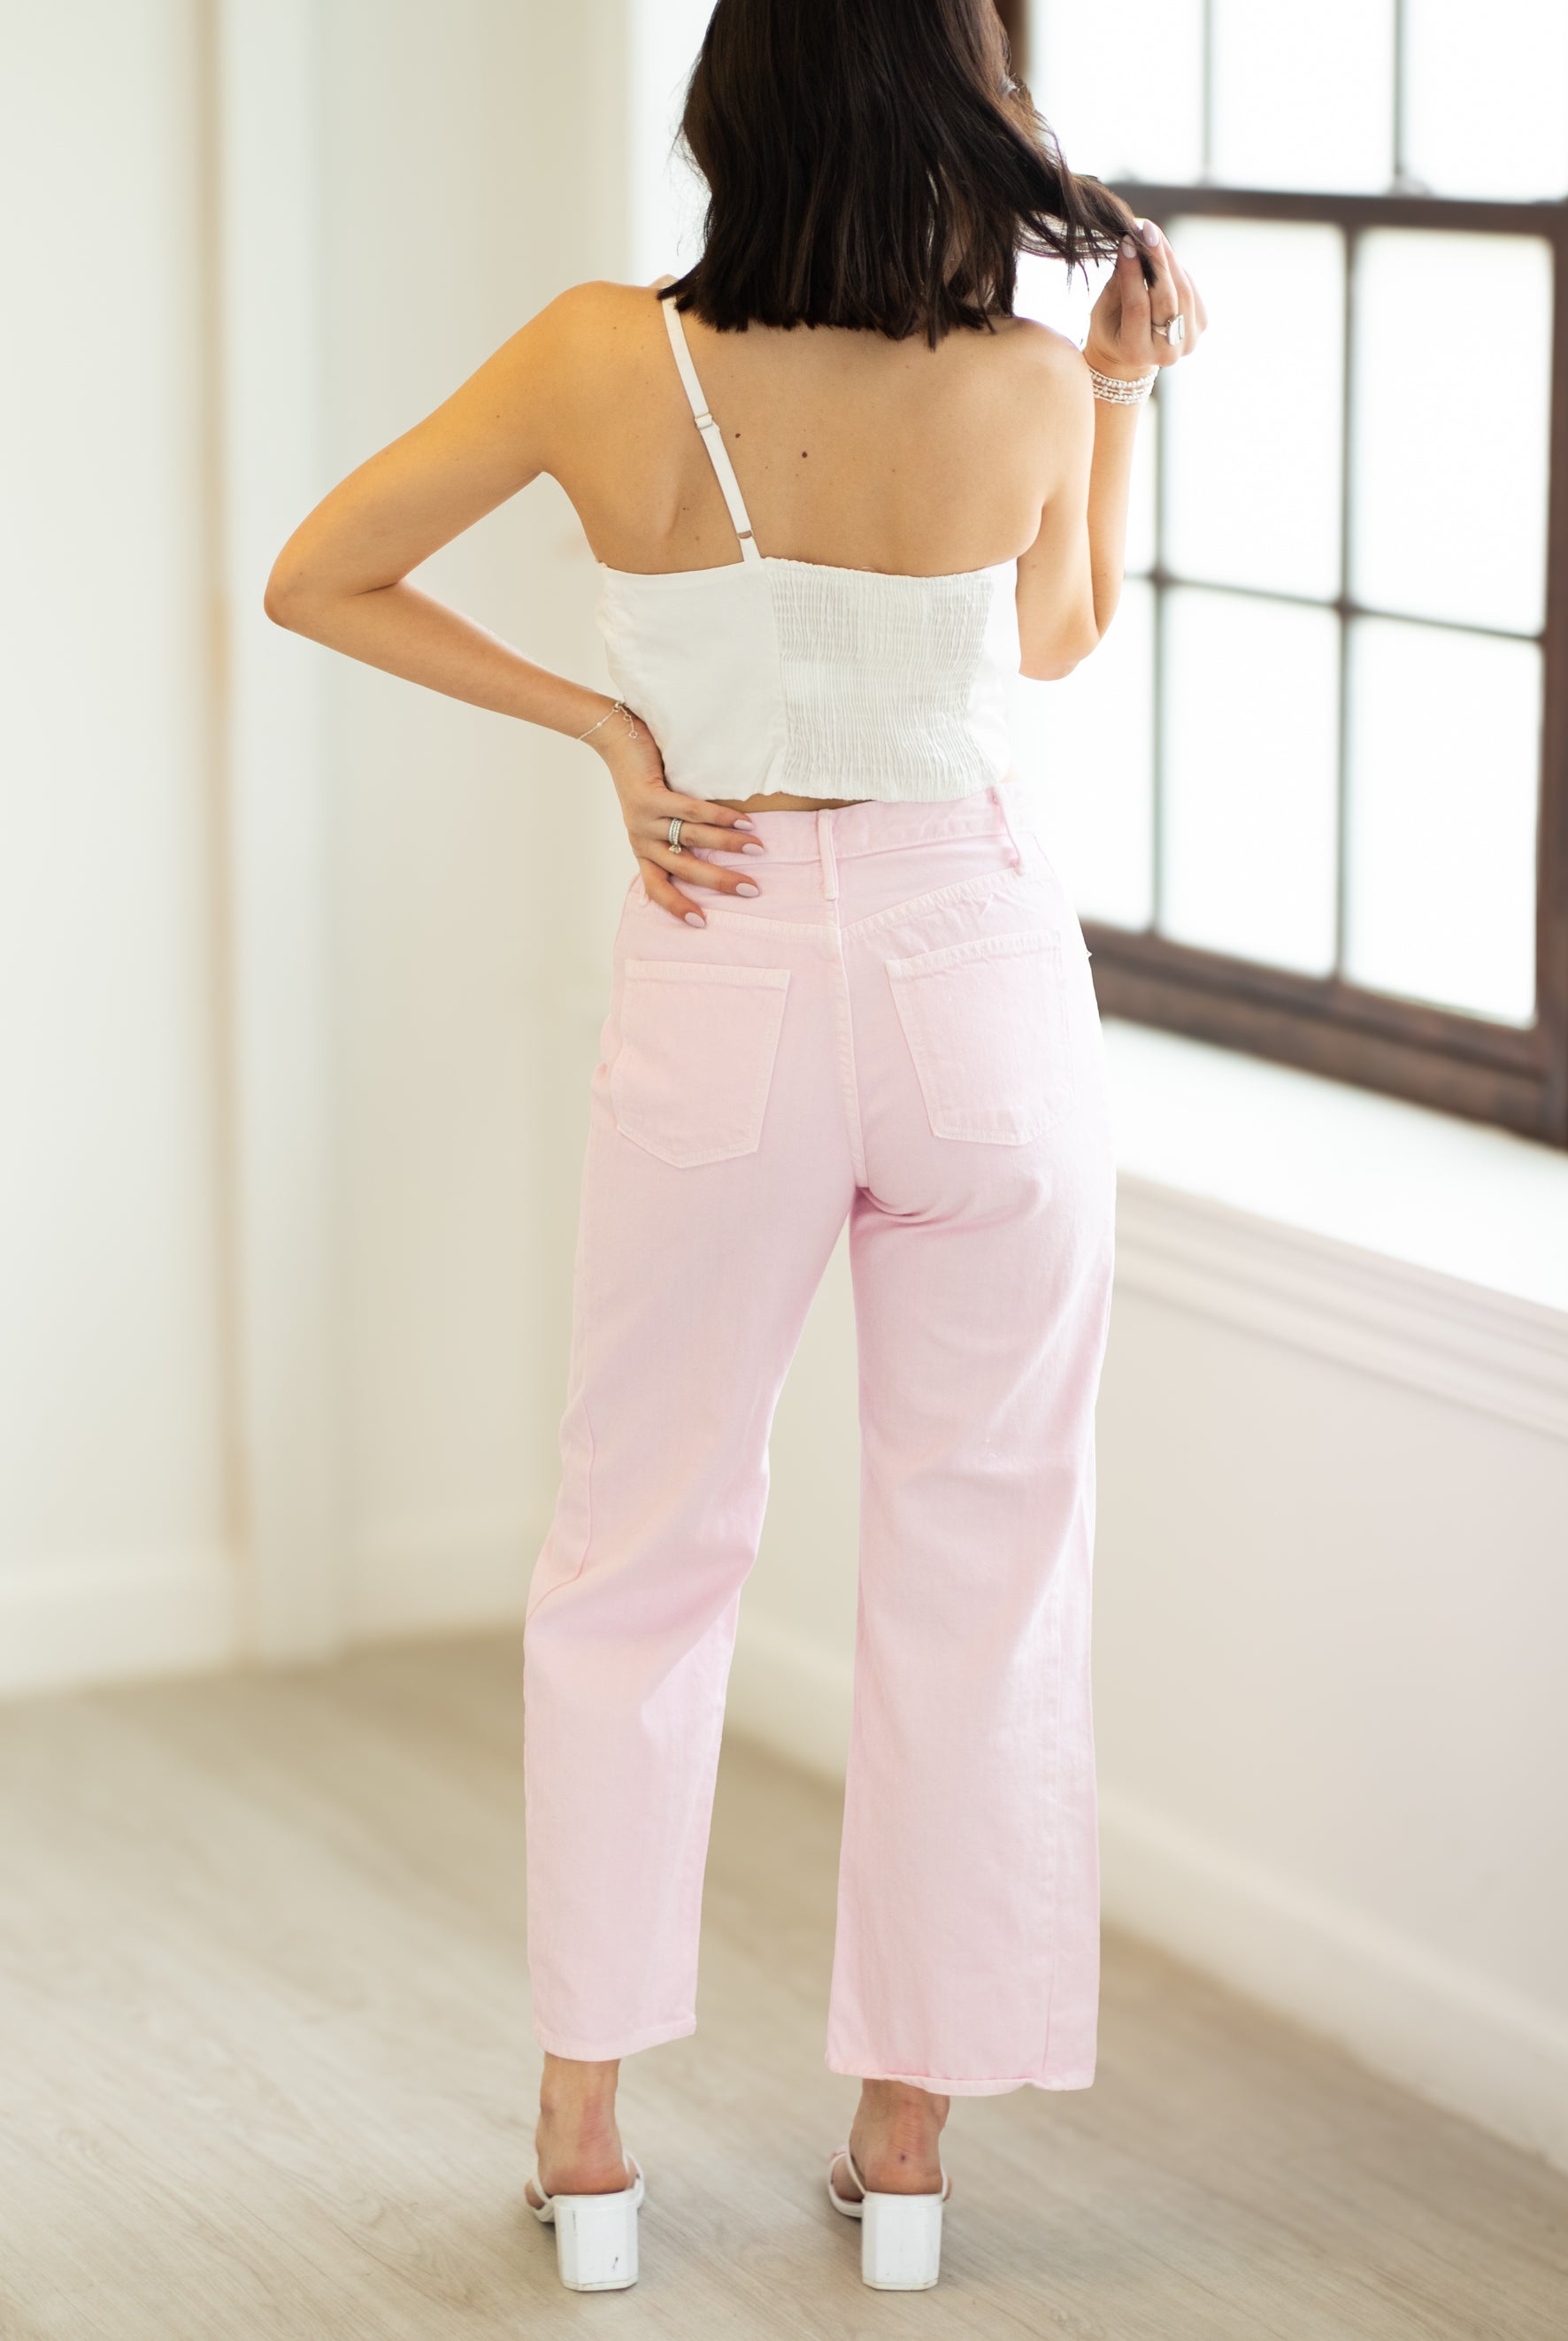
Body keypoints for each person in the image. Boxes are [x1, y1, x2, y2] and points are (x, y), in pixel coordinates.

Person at [265, 0, 1204, 2295]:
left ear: (737, 95)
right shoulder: (1018, 377)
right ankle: (907, 2153)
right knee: (980, 1560)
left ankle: (588, 2141)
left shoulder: (603, 357)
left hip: (723, 948)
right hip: (977, 973)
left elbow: (320, 570)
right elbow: (1055, 641)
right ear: (956, 99)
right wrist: (1116, 404)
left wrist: (608, 727)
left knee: (638, 1545)